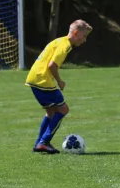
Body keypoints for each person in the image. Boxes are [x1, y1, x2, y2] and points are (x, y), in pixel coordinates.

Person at [25, 20, 92, 154]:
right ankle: (43, 142)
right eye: (84, 36)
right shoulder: (65, 45)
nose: (84, 40)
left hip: (34, 78)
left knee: (51, 112)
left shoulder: (59, 40)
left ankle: (39, 143)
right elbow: (52, 65)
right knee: (63, 109)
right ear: (76, 33)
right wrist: (60, 81)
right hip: (43, 79)